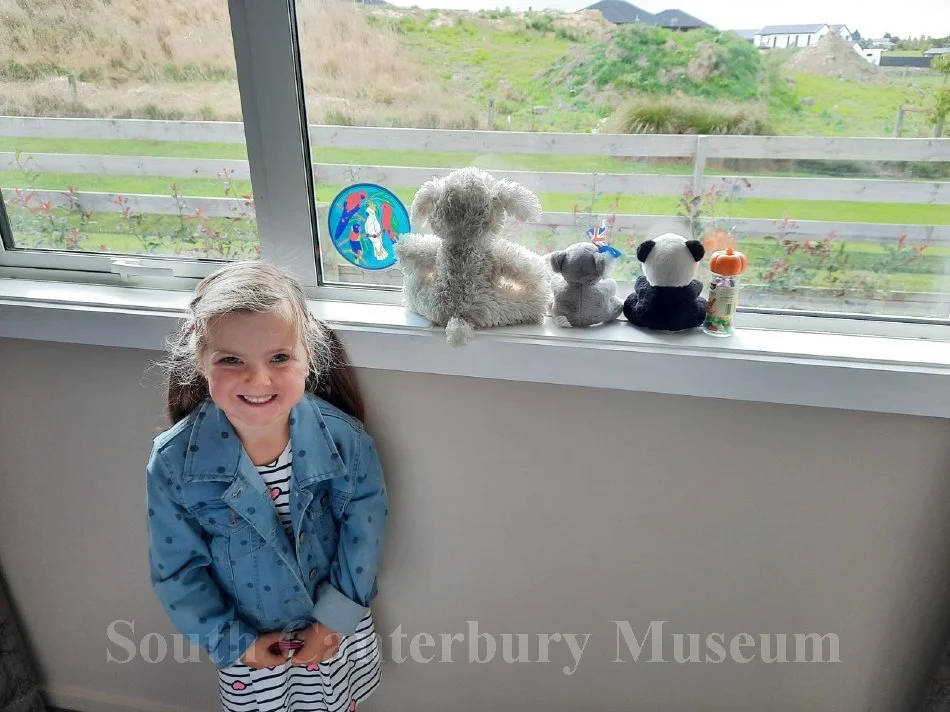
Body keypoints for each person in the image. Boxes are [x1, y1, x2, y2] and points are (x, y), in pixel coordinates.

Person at [146, 261, 388, 711]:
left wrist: (333, 622)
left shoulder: (344, 440)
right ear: (200, 361)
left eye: (279, 357)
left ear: (308, 356)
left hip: (335, 633)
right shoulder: (175, 463)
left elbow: (364, 536)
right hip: (251, 650)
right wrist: (235, 643)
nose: (259, 379)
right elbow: (176, 571)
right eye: (232, 360)